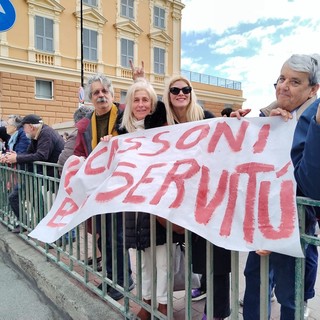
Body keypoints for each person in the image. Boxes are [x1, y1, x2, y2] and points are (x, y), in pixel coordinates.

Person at [242, 53, 320, 320]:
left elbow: (310, 183)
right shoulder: (271, 115)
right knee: (255, 279)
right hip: (263, 219)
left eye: (295, 81)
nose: (284, 86)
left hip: (294, 223)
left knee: (290, 293)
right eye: (281, 78)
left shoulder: (313, 119)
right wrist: (268, 128)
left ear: (313, 89)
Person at [73, 73, 134, 301]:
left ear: (111, 93)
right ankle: (110, 279)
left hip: (119, 186)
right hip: (97, 188)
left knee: (117, 236)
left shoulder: (124, 115)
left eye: (104, 91)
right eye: (96, 93)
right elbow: (79, 152)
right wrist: (73, 166)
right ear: (90, 98)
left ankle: (124, 281)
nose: (101, 96)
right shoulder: (85, 124)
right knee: (103, 237)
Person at [4, 114, 64, 233]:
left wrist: (17, 158)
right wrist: (13, 156)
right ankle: (33, 226)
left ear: (31, 126)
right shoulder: (36, 134)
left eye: (24, 127)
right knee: (22, 198)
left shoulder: (46, 133)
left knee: (55, 206)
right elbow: (28, 153)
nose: (23, 129)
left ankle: (49, 232)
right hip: (43, 174)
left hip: (53, 175)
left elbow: (42, 155)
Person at [57, 106, 93, 244]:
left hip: (78, 183)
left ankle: (98, 258)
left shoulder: (78, 132)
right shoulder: (89, 130)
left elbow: (64, 158)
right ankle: (98, 258)